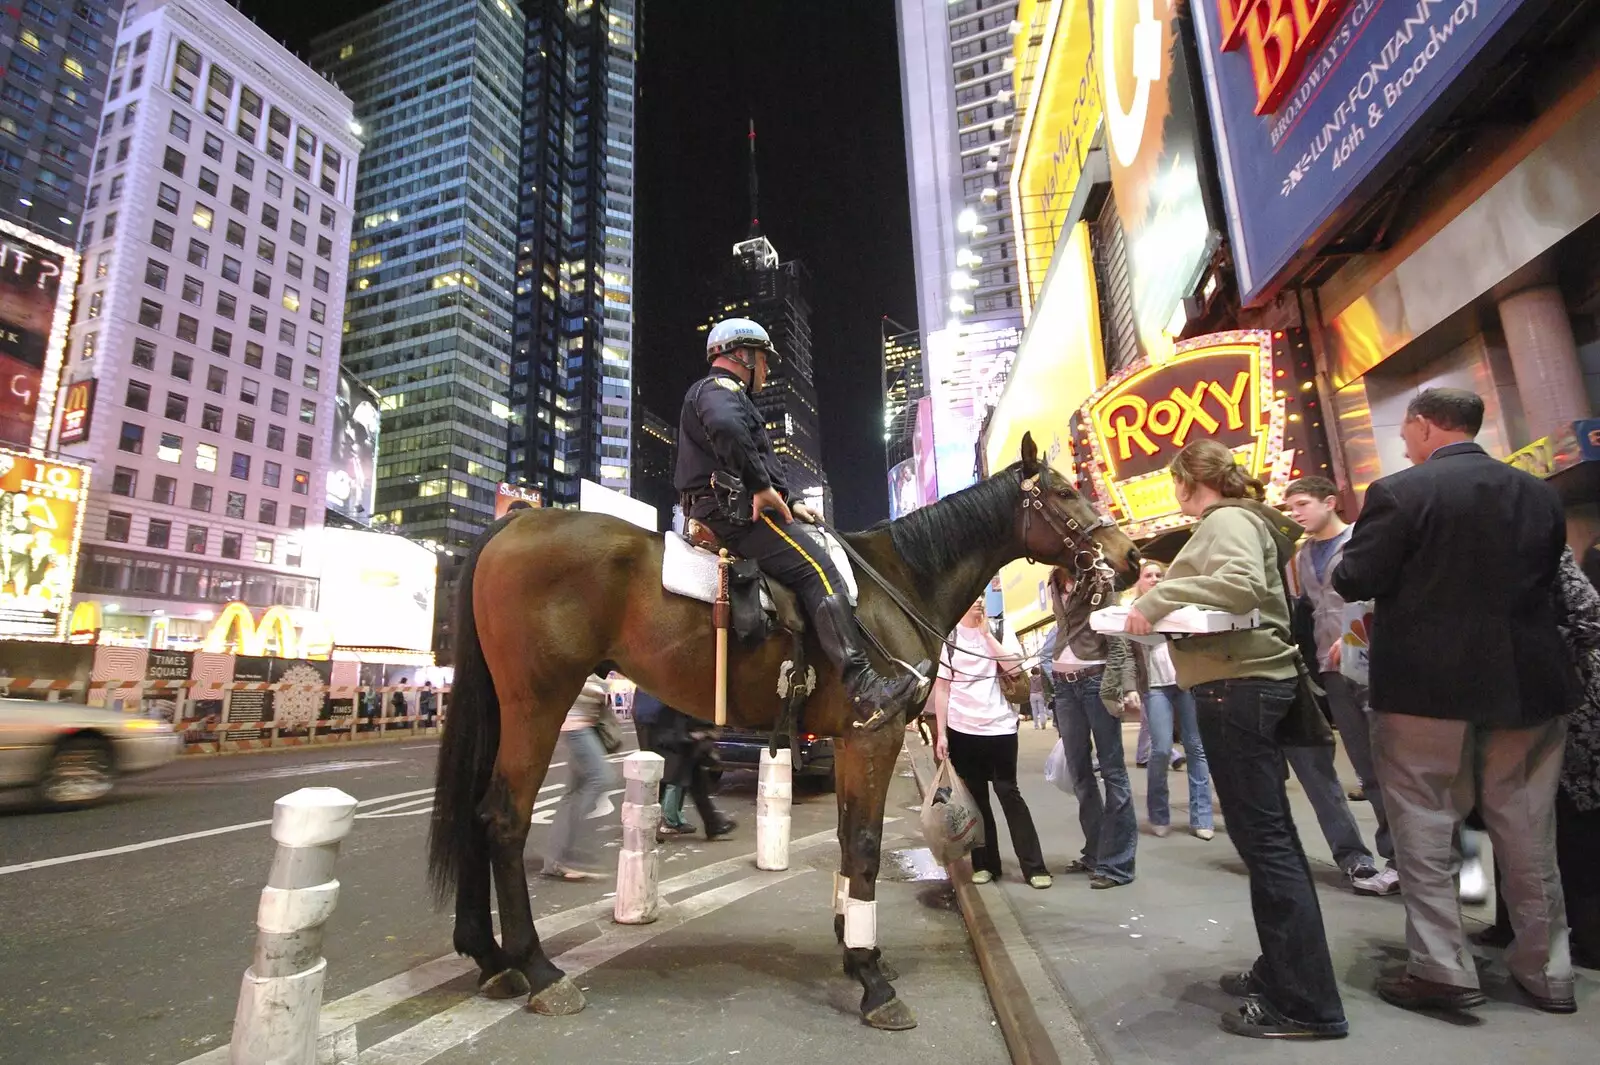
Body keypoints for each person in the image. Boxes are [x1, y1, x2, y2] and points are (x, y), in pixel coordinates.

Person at [1333, 388, 1577, 1015]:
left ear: (1422, 425)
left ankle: (1442, 969)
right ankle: (1547, 970)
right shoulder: (1538, 493)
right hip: (1527, 683)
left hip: (1425, 688)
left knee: (1425, 828)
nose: (1405, 443)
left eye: (1407, 431)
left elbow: (1354, 577)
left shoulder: (1399, 493)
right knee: (1528, 831)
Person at [1127, 439, 1346, 1040]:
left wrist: (1161, 594)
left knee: (1268, 845)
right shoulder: (1246, 520)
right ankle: (1283, 973)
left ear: (1188, 482)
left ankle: (1305, 1003)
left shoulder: (1224, 519)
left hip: (1239, 687)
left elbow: (1241, 584)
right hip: (1249, 684)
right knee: (1268, 840)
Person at [677, 318, 928, 731]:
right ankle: (863, 686)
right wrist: (760, 488)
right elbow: (726, 431)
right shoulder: (719, 391)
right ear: (742, 355)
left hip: (731, 506)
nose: (768, 368)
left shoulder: (728, 396)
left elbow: (748, 458)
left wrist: (790, 500)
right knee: (820, 572)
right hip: (732, 516)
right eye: (764, 358)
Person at [1474, 546, 1600, 971]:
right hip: (1535, 698)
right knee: (1507, 814)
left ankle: (1587, 936)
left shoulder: (1542, 551)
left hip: (1564, 699)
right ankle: (1510, 923)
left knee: (1568, 820)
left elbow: (1589, 618)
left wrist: (1530, 649)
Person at [1283, 476, 1397, 895]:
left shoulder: (1360, 540)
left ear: (1330, 502)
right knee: (1366, 770)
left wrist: (1351, 640)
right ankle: (1393, 859)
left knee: (1391, 765)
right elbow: (1309, 609)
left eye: (1302, 504)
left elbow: (1377, 598)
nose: (1296, 513)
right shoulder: (1299, 557)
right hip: (1329, 670)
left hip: (1370, 663)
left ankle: (1410, 858)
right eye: (1291, 507)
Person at [932, 598, 1050, 888]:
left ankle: (1034, 867)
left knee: (1009, 793)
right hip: (962, 729)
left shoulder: (999, 629)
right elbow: (943, 690)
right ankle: (986, 865)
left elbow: (1014, 670)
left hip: (1000, 728)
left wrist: (986, 636)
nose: (980, 602)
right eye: (974, 598)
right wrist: (942, 733)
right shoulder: (949, 637)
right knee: (977, 799)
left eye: (983, 597)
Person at [1046, 565, 1137, 889]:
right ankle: (1096, 854)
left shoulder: (1101, 578)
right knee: (1080, 775)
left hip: (1095, 683)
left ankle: (1119, 865)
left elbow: (1118, 638)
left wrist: (1127, 686)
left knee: (1114, 773)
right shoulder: (1054, 580)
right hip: (1063, 686)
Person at [1129, 561, 1214, 841]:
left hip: (1186, 683)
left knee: (1197, 747)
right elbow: (1127, 654)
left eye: (1159, 575)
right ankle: (1159, 813)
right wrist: (1128, 687)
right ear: (1139, 581)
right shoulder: (1133, 612)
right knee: (1161, 749)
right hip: (1154, 688)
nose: (1154, 579)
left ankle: (1202, 816)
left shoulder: (1178, 606)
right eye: (1148, 575)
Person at [542, 673, 620, 881]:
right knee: (601, 778)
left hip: (583, 725)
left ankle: (555, 861)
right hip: (576, 726)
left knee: (572, 794)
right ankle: (573, 851)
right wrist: (598, 691)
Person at [651, 704, 737, 841]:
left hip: (682, 742)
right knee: (661, 785)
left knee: (697, 784)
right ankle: (646, 827)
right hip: (672, 741)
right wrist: (697, 732)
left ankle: (713, 825)